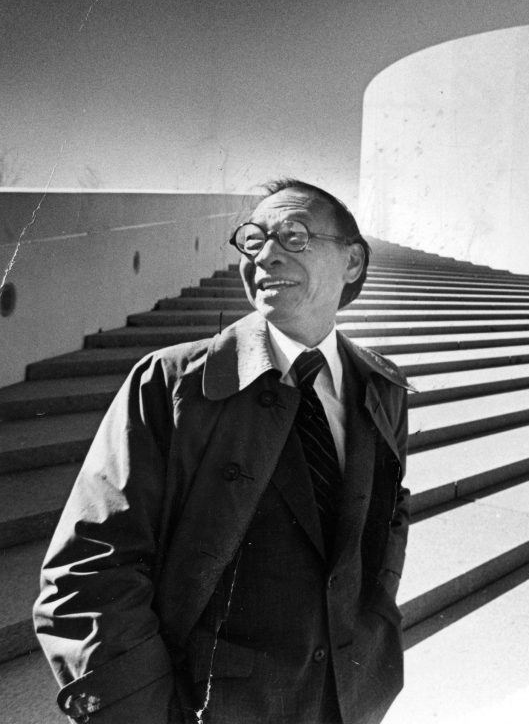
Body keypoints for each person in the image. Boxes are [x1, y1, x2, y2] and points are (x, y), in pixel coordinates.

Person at [33, 179, 412, 724]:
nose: (265, 254)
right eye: (253, 239)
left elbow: (389, 518)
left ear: (352, 261)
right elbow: (89, 570)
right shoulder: (169, 382)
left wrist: (377, 636)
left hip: (349, 701)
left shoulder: (383, 388)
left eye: (294, 236)